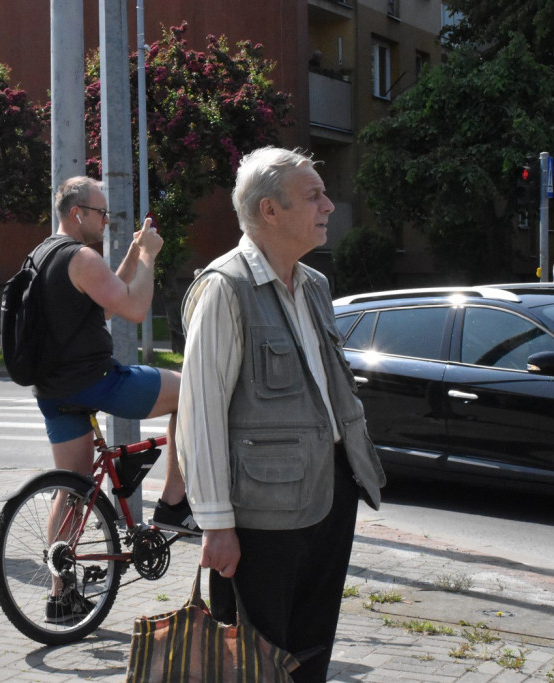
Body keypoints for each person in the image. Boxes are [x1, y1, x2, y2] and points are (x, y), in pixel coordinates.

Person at [175, 147, 386, 683]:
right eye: (314, 195)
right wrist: (216, 524)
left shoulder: (314, 284)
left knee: (311, 651)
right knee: (253, 662)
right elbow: (200, 415)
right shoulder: (225, 288)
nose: (330, 206)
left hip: (329, 494)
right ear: (270, 211)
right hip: (260, 517)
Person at [30, 176, 199, 618]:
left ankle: (60, 594)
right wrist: (148, 256)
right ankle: (174, 504)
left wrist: (129, 255)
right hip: (96, 380)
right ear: (77, 214)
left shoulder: (44, 254)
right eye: (101, 212)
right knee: (189, 391)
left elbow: (104, 302)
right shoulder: (82, 257)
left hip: (53, 389)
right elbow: (134, 308)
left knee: (71, 490)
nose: (107, 220)